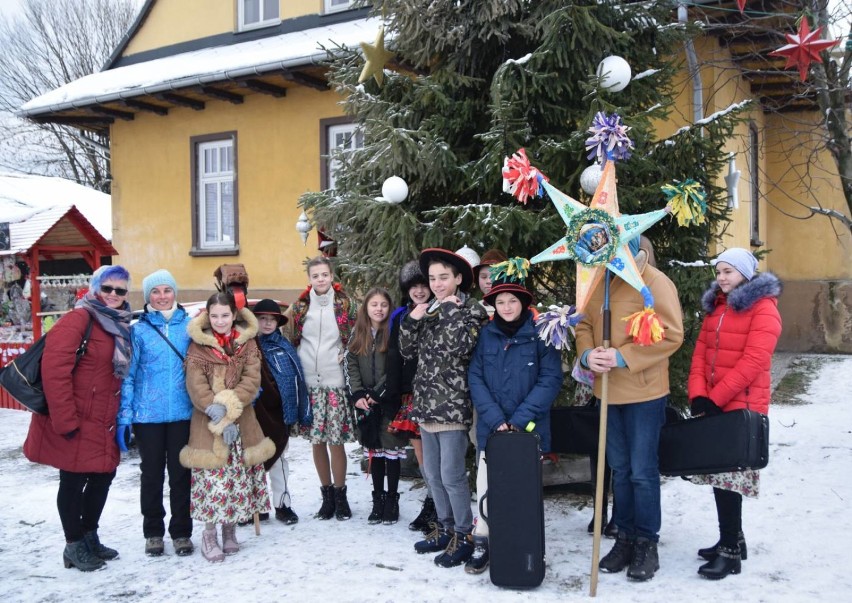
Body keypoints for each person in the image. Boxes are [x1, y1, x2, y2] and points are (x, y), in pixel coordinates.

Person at [575, 238, 684, 582]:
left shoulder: (654, 281)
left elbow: (671, 333)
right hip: (608, 391)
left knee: (641, 471)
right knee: (620, 470)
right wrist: (587, 354)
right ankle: (623, 537)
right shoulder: (597, 279)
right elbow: (584, 325)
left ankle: (645, 542)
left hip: (643, 391)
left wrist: (624, 357)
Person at [23, 265, 133, 571]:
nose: (113, 295)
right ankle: (73, 545)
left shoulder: (120, 324)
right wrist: (65, 420)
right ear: (96, 288)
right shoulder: (78, 319)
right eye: (107, 288)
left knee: (102, 476)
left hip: (102, 419)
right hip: (74, 417)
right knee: (72, 480)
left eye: (120, 290)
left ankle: (88, 536)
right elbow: (54, 372)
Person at [687, 248, 782, 580]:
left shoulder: (764, 309)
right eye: (718, 272)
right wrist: (699, 394)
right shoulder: (717, 308)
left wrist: (717, 397)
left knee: (730, 480)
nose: (722, 278)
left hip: (741, 406)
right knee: (719, 475)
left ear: (745, 273)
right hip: (714, 403)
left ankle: (730, 553)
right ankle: (733, 538)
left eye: (728, 271)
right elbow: (700, 352)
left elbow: (754, 361)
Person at [467, 263, 563, 574]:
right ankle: (483, 540)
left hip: (527, 431)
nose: (506, 307)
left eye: (512, 301)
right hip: (492, 430)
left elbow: (549, 380)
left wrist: (519, 420)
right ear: (493, 305)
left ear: (522, 302)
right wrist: (496, 419)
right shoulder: (486, 336)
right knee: (486, 486)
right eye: (500, 302)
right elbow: (476, 378)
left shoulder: (541, 335)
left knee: (523, 490)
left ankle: (524, 543)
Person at [400, 248, 487, 568]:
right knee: (432, 474)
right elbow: (407, 350)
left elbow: (459, 349)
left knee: (451, 475)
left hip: (452, 406)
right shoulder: (428, 309)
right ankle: (446, 528)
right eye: (433, 278)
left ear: (459, 279)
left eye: (443, 278)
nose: (436, 284)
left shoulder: (472, 310)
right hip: (425, 405)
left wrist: (449, 312)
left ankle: (464, 534)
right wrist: (413, 319)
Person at [181, 292, 274, 562]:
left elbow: (251, 379)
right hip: (207, 423)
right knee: (212, 481)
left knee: (234, 479)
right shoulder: (198, 346)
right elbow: (195, 384)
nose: (220, 321)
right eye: (214, 316)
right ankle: (209, 535)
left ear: (234, 315)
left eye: (225, 315)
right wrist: (217, 414)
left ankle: (229, 530)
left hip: (242, 423)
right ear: (207, 317)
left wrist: (231, 407)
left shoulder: (247, 344)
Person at [118, 269, 194, 557]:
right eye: (155, 292)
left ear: (175, 292)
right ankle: (153, 532)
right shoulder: (137, 331)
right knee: (151, 475)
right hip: (147, 415)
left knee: (181, 475)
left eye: (167, 290)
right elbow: (128, 375)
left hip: (182, 414)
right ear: (147, 296)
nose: (162, 297)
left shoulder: (189, 327)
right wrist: (125, 416)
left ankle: (181, 532)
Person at [285, 256, 358, 520]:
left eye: (324, 275)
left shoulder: (345, 305)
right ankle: (326, 496)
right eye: (315, 276)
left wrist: (346, 351)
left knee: (335, 441)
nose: (320, 280)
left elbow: (356, 335)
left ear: (331, 276)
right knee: (317, 441)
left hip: (334, 381)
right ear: (310, 279)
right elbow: (291, 338)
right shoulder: (300, 307)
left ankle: (341, 495)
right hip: (310, 383)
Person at [345, 287, 409, 525]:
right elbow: (350, 362)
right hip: (366, 404)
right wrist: (358, 394)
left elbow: (396, 365)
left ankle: (392, 500)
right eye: (374, 305)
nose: (379, 309)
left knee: (391, 452)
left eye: (383, 305)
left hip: (388, 401)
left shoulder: (393, 331)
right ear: (366, 308)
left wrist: (377, 393)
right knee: (375, 452)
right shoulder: (358, 332)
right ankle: (378, 500)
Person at [386, 261, 437, 532]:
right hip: (410, 394)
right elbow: (394, 354)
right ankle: (432, 501)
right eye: (413, 286)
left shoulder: (439, 311)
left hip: (436, 392)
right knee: (421, 455)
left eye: (423, 285)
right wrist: (394, 393)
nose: (419, 290)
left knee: (436, 454)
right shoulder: (399, 316)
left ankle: (438, 504)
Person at [252, 298, 309, 525]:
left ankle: (282, 504)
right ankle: (257, 506)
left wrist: (296, 410)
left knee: (278, 460)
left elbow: (296, 379)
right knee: (254, 460)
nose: (267, 324)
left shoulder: (284, 346)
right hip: (256, 412)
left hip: (278, 412)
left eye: (272, 319)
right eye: (262, 319)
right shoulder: (247, 346)